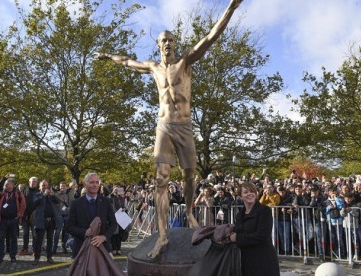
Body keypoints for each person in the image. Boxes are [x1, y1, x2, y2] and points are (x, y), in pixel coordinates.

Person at [96, 0, 242, 258]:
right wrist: (107, 56)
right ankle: (162, 235)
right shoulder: (153, 67)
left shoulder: (185, 62)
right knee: (160, 179)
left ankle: (188, 212)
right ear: (158, 45)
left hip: (184, 126)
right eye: (163, 41)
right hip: (164, 125)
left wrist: (231, 7)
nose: (167, 44)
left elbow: (210, 37)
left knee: (189, 175)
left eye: (171, 40)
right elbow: (128, 61)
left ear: (175, 44)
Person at [229, 182, 279, 275]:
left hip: (263, 260)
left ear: (256, 194)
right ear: (240, 196)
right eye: (246, 192)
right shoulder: (239, 215)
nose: (249, 194)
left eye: (252, 191)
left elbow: (263, 235)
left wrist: (237, 238)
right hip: (246, 260)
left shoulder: (264, 210)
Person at [65, 173, 118, 259]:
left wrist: (104, 237)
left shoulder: (106, 202)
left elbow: (113, 223)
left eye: (97, 182)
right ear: (85, 184)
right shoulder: (76, 204)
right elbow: (69, 226)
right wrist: (84, 232)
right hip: (81, 248)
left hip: (103, 247)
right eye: (92, 182)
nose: (95, 185)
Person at [0, 177, 26, 264]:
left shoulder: (18, 194)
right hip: (2, 220)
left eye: (7, 183)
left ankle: (13, 256)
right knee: (0, 239)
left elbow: (23, 205)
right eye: (5, 184)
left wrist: (19, 215)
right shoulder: (1, 194)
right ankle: (0, 256)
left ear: (13, 185)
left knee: (13, 239)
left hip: (13, 220)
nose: (5, 185)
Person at [31, 180, 61, 264]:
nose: (45, 187)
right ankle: (37, 258)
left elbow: (57, 201)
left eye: (46, 185)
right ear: (40, 186)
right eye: (43, 185)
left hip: (51, 220)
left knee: (50, 240)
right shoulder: (37, 195)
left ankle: (49, 257)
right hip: (41, 220)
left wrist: (53, 195)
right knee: (38, 240)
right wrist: (44, 195)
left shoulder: (51, 195)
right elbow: (34, 203)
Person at [19, 176, 39, 256]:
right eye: (32, 181)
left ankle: (34, 249)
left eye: (35, 181)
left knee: (35, 234)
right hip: (25, 216)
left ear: (37, 183)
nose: (33, 182)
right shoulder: (24, 191)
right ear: (29, 182)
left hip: (35, 216)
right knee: (25, 234)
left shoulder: (39, 191)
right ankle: (25, 249)